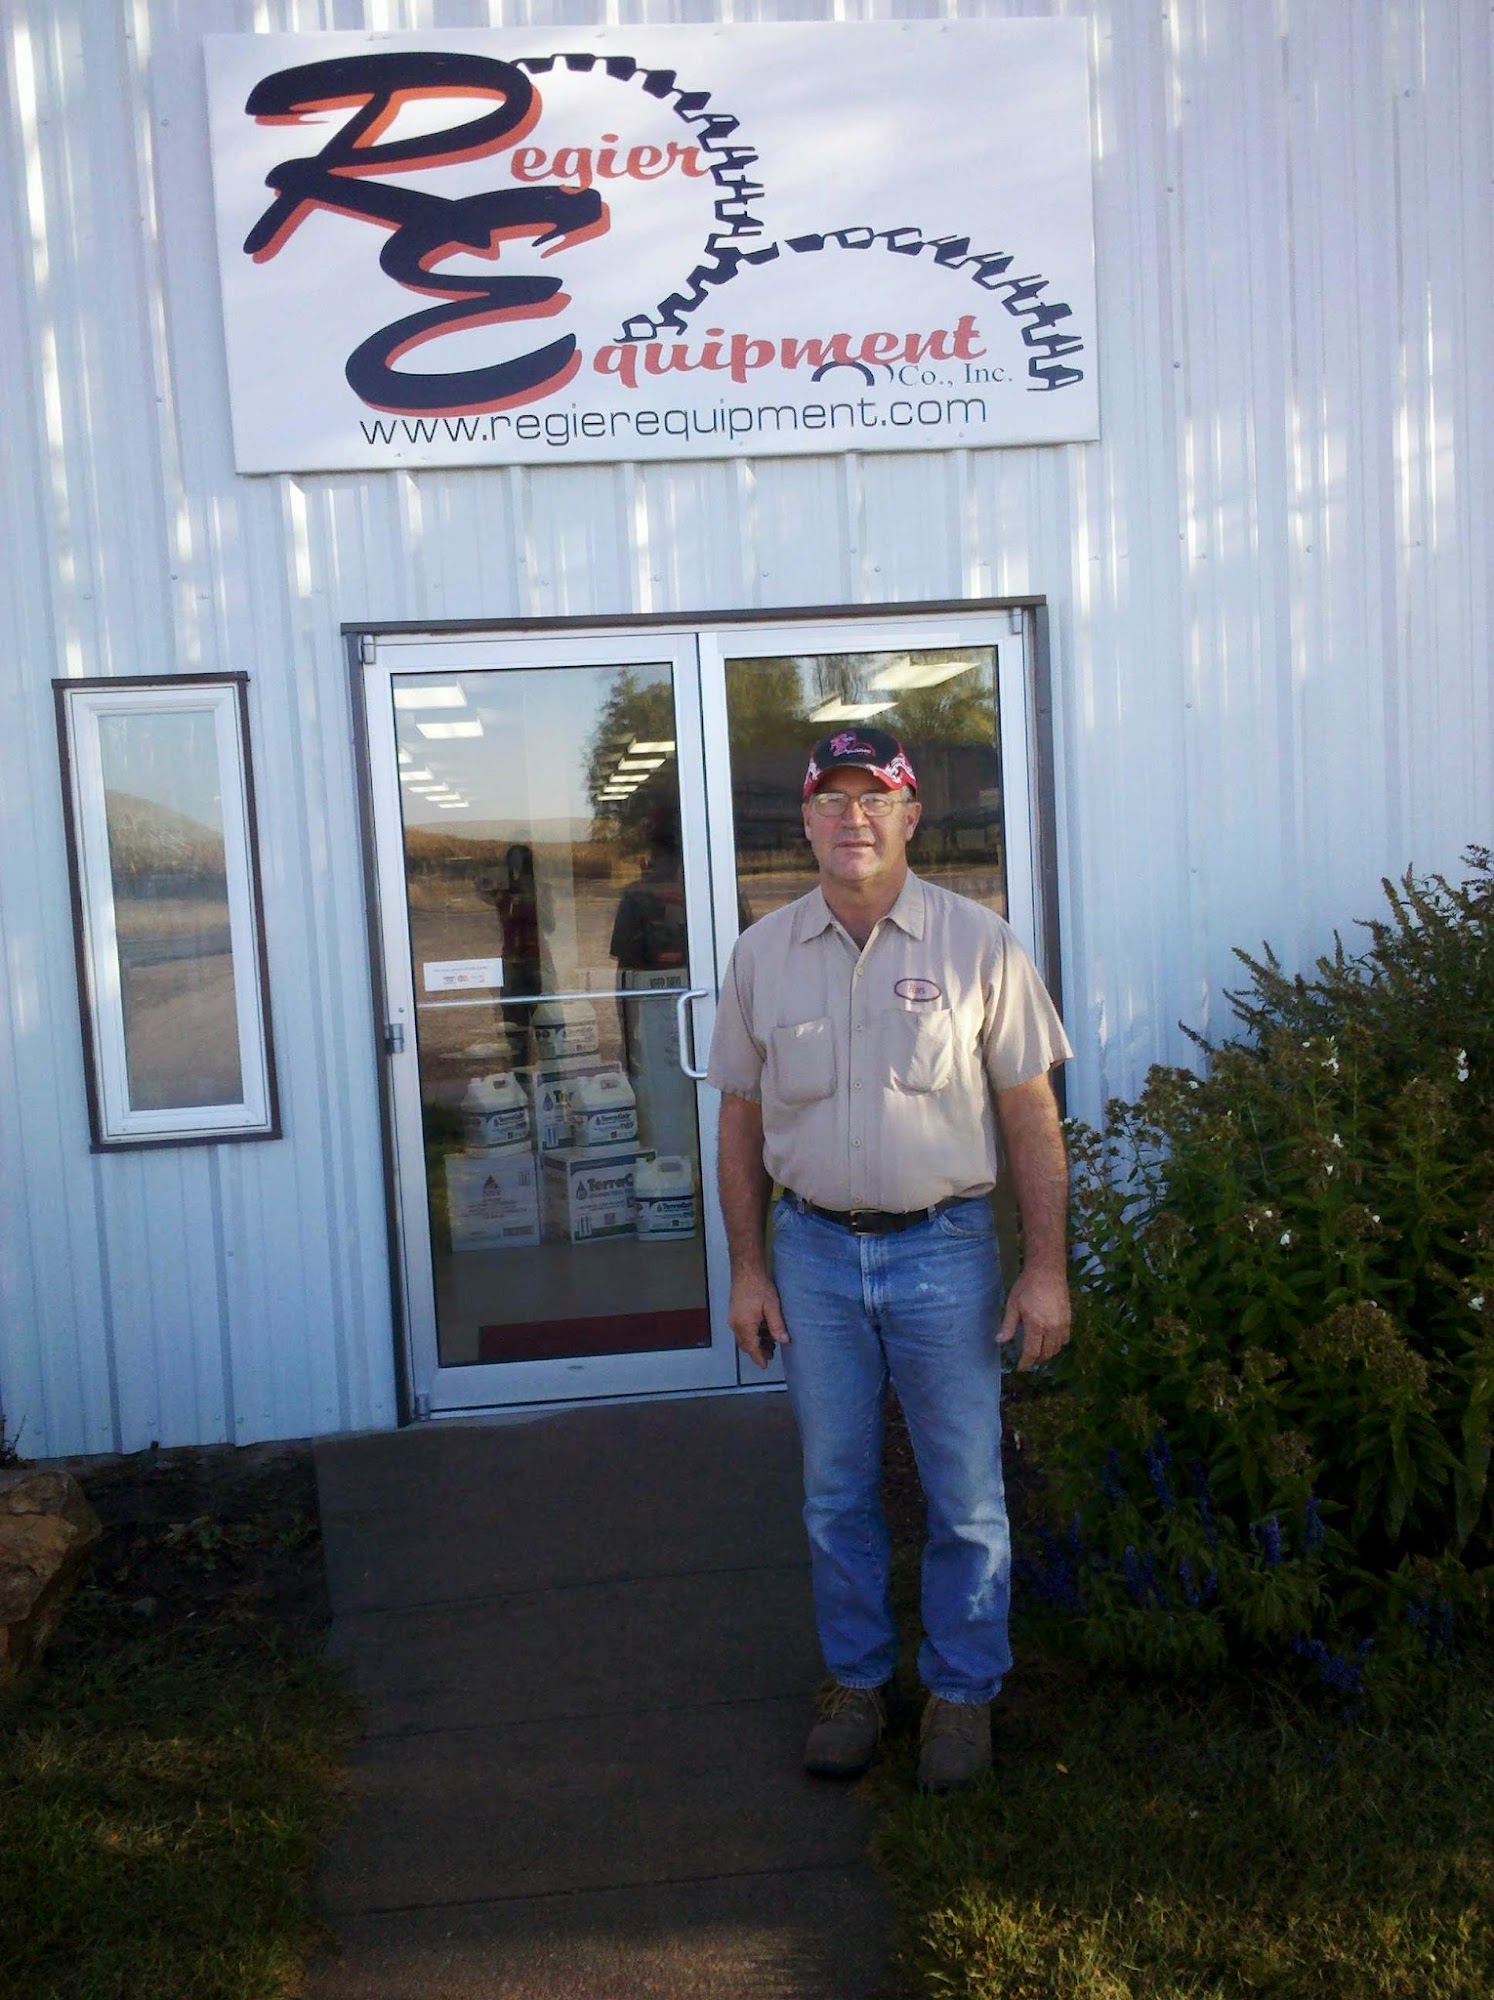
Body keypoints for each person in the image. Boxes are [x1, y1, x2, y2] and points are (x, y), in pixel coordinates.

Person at [706, 727, 1073, 1793]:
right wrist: (748, 1268)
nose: (853, 818)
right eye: (832, 799)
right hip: (812, 1255)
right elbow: (738, 1122)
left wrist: (1044, 1268)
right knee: (835, 1492)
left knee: (966, 1494)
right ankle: (857, 1683)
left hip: (944, 1253)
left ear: (912, 815)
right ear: (805, 820)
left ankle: (962, 1692)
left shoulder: (979, 944)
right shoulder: (762, 954)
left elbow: (1030, 1116)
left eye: (875, 798)